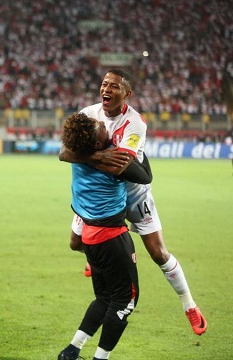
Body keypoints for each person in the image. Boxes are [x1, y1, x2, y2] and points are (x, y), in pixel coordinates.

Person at [59, 69, 207, 336]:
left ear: (127, 93)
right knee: (75, 243)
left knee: (158, 253)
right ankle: (100, 261)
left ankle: (190, 306)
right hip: (99, 196)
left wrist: (87, 154)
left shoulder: (135, 123)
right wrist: (96, 157)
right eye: (104, 84)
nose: (106, 89)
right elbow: (65, 151)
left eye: (114, 86)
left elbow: (122, 167)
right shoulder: (87, 113)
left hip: (134, 194)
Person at [57, 112, 152, 360]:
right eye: (100, 126)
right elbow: (145, 176)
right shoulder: (114, 160)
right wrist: (140, 146)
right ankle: (100, 358)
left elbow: (64, 152)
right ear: (97, 143)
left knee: (104, 297)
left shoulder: (78, 155)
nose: (103, 124)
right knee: (125, 300)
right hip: (112, 238)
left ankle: (72, 349)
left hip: (90, 236)